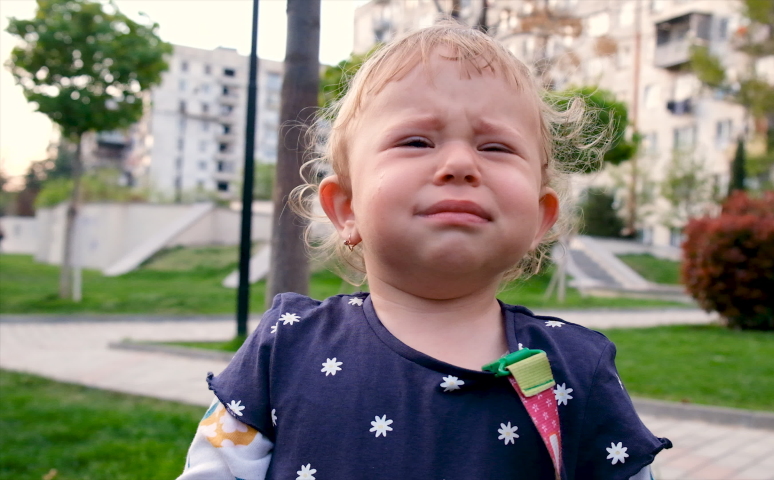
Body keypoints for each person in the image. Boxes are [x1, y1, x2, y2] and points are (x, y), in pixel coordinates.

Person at [177, 21, 671, 480]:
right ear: (346, 207)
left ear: (541, 219)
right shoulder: (284, 348)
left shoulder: (575, 371)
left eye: (496, 147)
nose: (459, 164)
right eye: (415, 141)